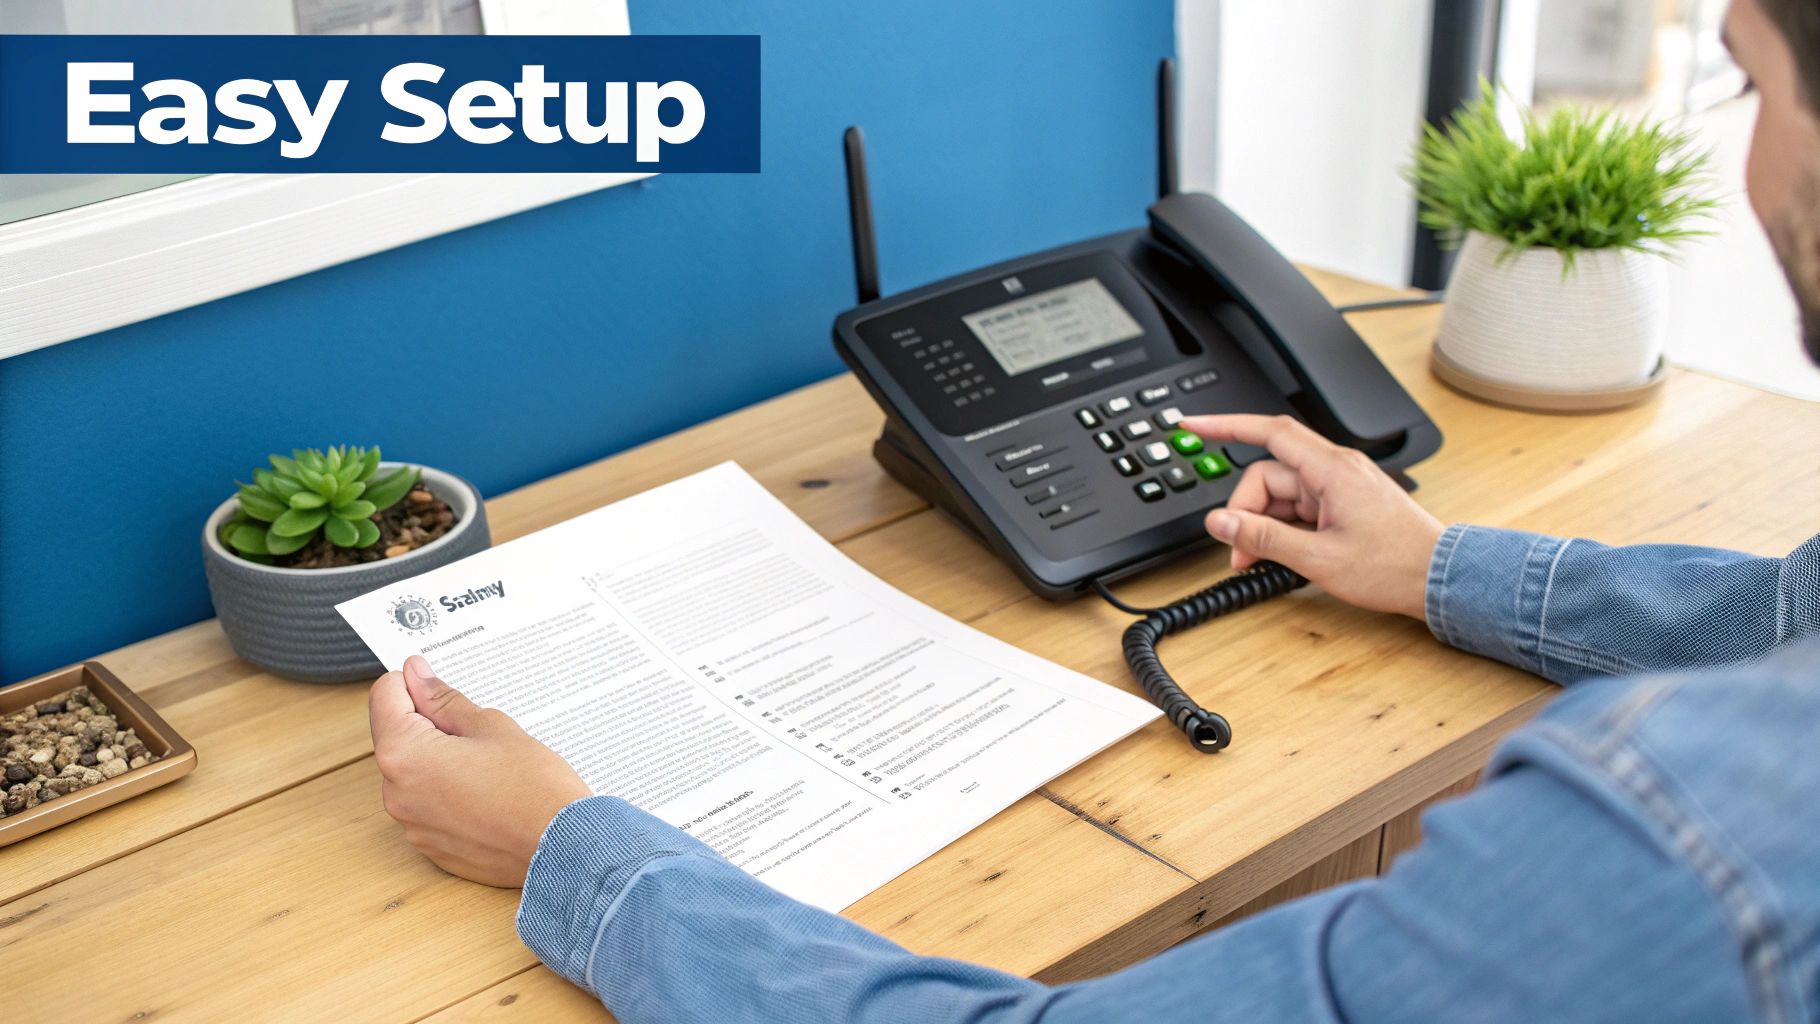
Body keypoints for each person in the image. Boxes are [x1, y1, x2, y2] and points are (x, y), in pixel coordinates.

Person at [367, 1, 1820, 1019]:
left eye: (1749, 85)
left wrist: (575, 853)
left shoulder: (1682, 836)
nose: (1746, 159)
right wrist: (1441, 564)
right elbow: (1784, 612)